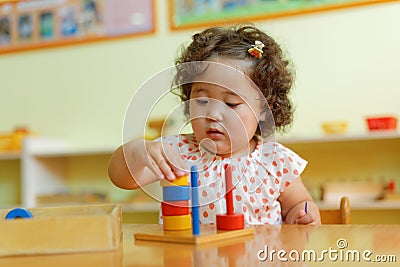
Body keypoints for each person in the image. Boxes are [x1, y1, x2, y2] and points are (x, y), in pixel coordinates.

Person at [108, 24, 321, 225]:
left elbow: (298, 204)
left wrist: (302, 214)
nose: (214, 114)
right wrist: (137, 152)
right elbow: (122, 179)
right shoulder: (178, 154)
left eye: (231, 103)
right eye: (201, 101)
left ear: (265, 109)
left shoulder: (275, 160)